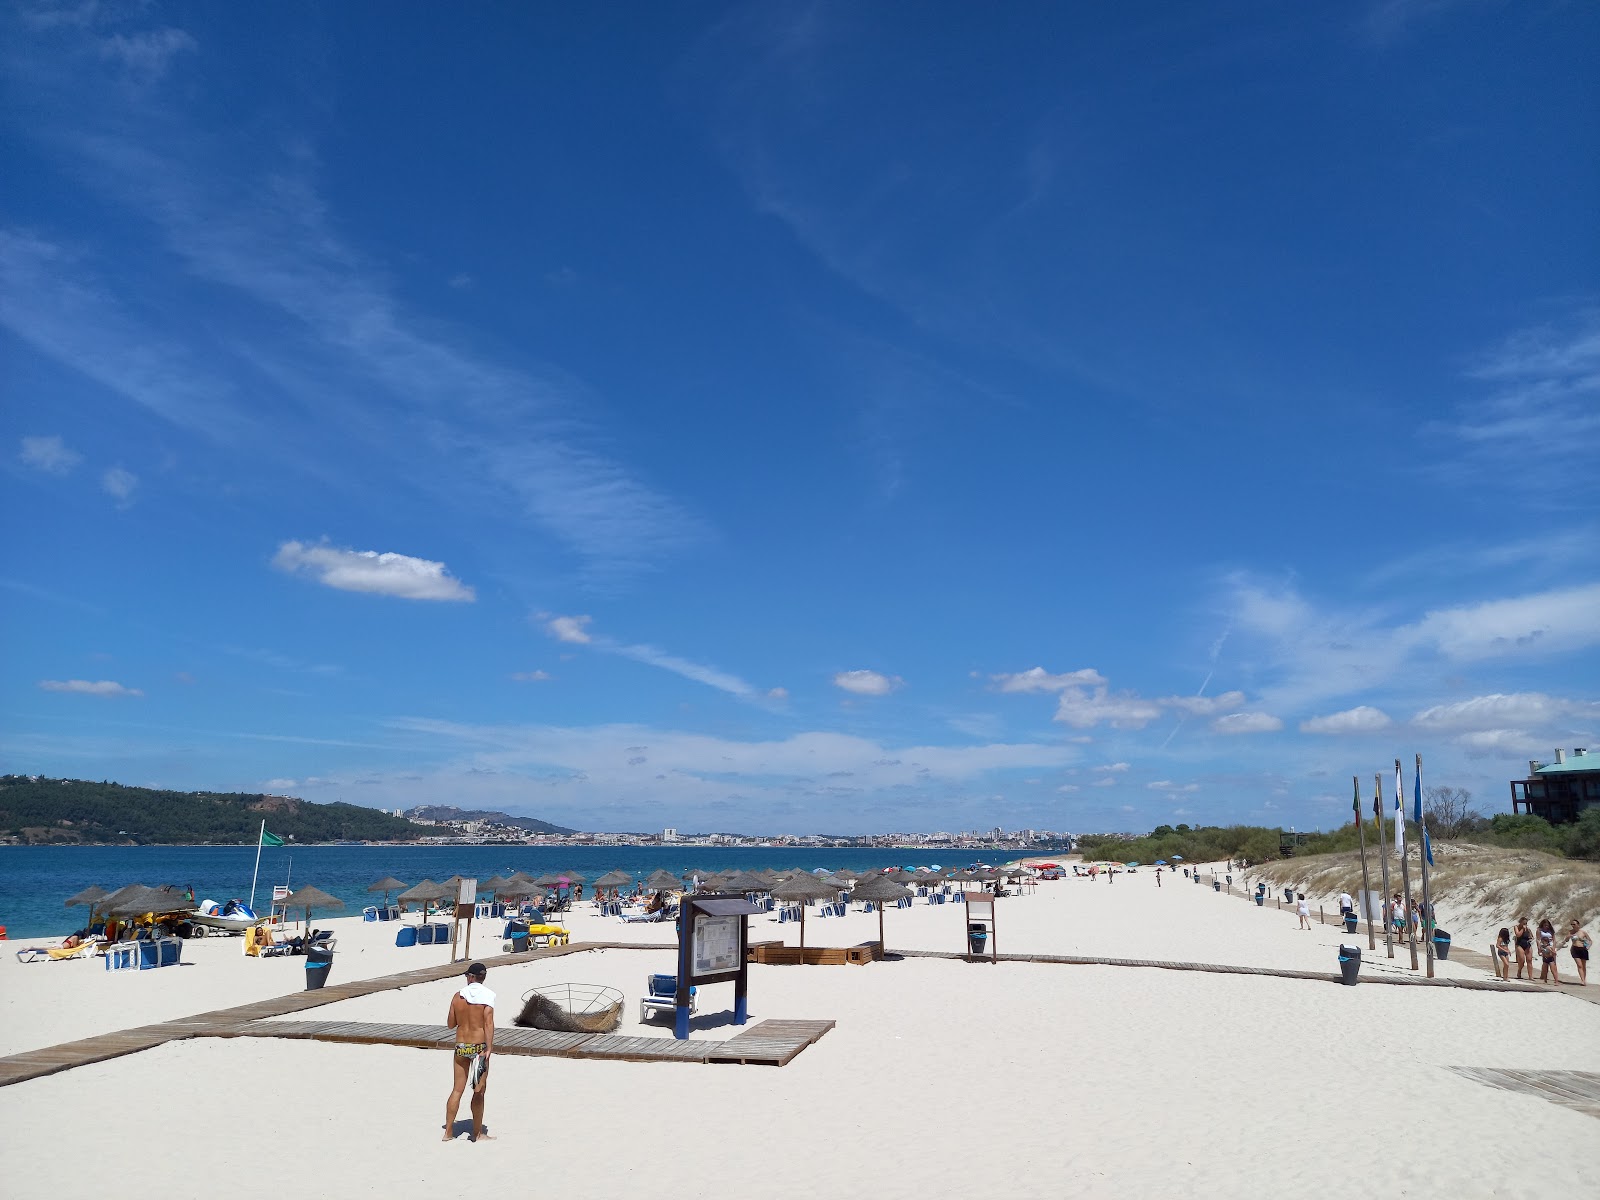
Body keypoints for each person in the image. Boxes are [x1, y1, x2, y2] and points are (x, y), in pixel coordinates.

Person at [444, 963, 495, 1142]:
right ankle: (477, 1134)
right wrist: (489, 1048)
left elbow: (451, 1024)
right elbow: (488, 1023)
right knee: (478, 1092)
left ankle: (448, 1132)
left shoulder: (458, 997)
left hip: (461, 1046)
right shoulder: (488, 996)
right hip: (479, 1048)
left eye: (467, 976)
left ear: (471, 977)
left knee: (457, 1090)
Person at [1566, 919, 1590, 985]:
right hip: (1574, 949)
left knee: (1583, 966)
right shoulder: (1570, 932)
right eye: (1572, 924)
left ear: (1578, 925)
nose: (1573, 925)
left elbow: (1590, 940)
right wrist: (1568, 937)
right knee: (1579, 965)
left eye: (1574, 924)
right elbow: (1566, 940)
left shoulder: (1583, 932)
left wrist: (1588, 946)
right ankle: (1582, 980)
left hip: (1583, 949)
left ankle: (1584, 980)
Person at [1537, 919, 1560, 985]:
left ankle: (1556, 980)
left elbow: (1554, 940)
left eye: (1547, 925)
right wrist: (1539, 948)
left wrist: (1554, 948)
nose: (1546, 926)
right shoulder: (1539, 930)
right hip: (1543, 946)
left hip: (1550, 946)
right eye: (1545, 925)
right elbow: (1538, 940)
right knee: (1545, 964)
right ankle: (1545, 979)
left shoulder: (1551, 931)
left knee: (1553, 964)